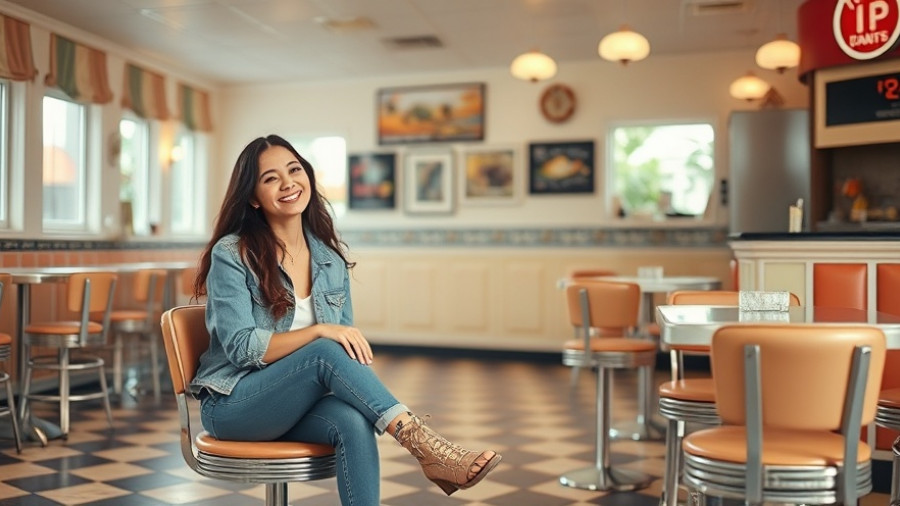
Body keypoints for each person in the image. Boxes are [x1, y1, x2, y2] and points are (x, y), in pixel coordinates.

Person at [189, 134, 501, 505]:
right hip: (234, 407)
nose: (288, 183)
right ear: (254, 197)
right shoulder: (233, 253)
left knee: (354, 422)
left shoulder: (329, 261)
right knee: (323, 346)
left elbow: (346, 348)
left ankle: (421, 449)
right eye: (271, 178)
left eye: (294, 170)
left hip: (292, 403)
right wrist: (319, 332)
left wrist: (340, 364)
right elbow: (241, 349)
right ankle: (425, 447)